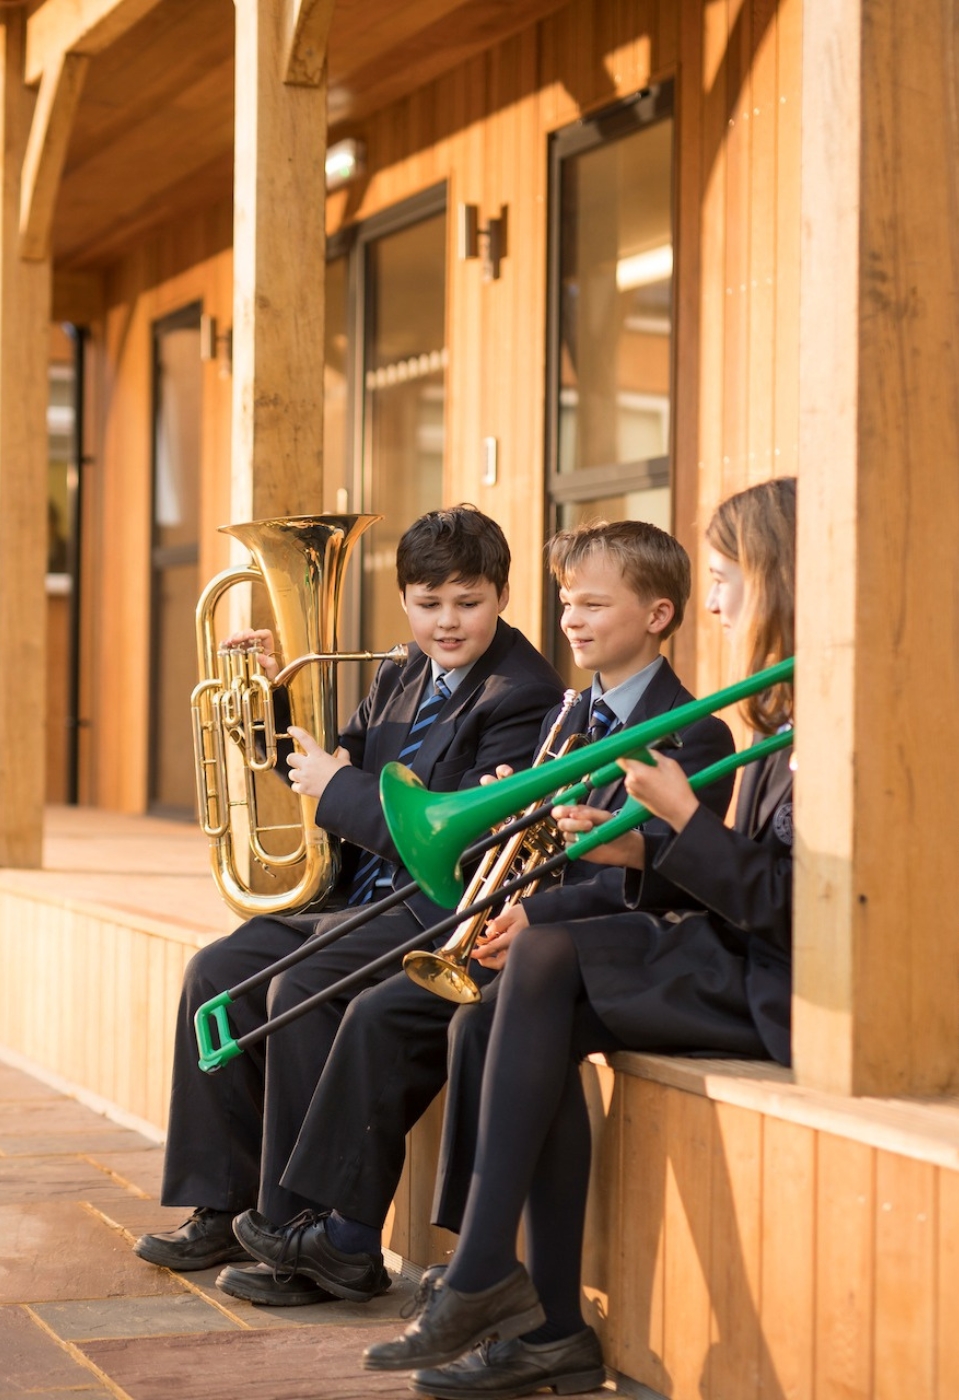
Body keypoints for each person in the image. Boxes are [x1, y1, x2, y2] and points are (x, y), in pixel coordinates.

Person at [222, 519, 735, 1307]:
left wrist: (537, 908)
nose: (570, 621)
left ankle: (397, 1248)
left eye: (592, 606)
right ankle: (348, 1238)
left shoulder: (694, 731)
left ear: (657, 616)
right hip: (509, 928)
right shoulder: (571, 712)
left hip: (577, 944)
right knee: (365, 1004)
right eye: (568, 603)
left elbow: (665, 875)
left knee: (388, 1013)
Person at [361, 476, 796, 1399]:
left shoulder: (799, 729)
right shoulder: (780, 712)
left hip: (771, 983)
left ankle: (490, 1279)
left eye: (727, 577)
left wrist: (679, 818)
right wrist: (646, 839)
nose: (717, 599)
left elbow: (789, 901)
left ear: (776, 582)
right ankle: (541, 1318)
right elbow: (736, 871)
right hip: (725, 947)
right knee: (494, 1012)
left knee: (543, 964)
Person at [134, 505, 565, 1299]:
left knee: (302, 990)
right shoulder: (404, 668)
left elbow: (465, 847)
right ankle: (225, 1204)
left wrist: (341, 789)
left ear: (502, 595)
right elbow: (342, 766)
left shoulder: (524, 693)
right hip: (356, 894)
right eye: (428, 602)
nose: (447, 623)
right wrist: (268, 702)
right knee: (216, 975)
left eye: (467, 602)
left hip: (436, 909)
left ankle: (303, 1237)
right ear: (403, 597)